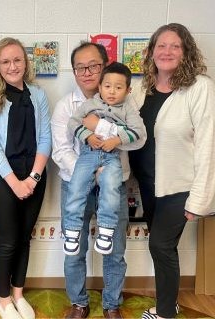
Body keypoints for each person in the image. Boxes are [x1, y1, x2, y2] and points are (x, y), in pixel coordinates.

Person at [51, 42, 145, 319]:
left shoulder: (129, 102)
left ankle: (111, 304)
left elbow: (136, 139)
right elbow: (61, 148)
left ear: (105, 66)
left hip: (113, 185)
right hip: (75, 184)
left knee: (114, 250)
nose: (87, 72)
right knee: (74, 249)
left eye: (94, 65)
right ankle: (79, 302)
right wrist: (91, 174)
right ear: (74, 71)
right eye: (81, 67)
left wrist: (100, 126)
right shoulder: (66, 106)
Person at [127, 23, 215, 319]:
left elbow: (208, 145)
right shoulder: (142, 89)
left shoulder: (200, 87)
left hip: (181, 186)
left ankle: (165, 312)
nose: (167, 51)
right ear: (151, 52)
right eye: (161, 46)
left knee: (160, 246)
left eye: (175, 46)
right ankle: (171, 302)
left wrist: (199, 200)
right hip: (151, 184)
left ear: (186, 52)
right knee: (163, 248)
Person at [0, 37, 51, 319]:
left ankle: (19, 294)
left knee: (24, 238)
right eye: (6, 61)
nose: (13, 66)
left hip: (35, 175)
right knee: (8, 241)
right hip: (2, 178)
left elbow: (45, 139)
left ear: (25, 62)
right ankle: (3, 299)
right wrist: (16, 183)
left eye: (17, 60)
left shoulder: (38, 94)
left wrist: (33, 178)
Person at [64, 62, 145, 255]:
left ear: (128, 90)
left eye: (118, 87)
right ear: (100, 87)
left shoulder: (128, 110)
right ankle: (72, 231)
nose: (112, 92)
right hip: (87, 155)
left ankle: (106, 231)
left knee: (111, 190)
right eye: (107, 86)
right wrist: (88, 136)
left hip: (112, 158)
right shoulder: (90, 104)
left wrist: (116, 140)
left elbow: (139, 133)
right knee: (76, 188)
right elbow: (74, 123)